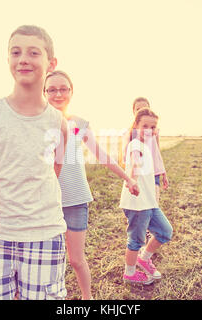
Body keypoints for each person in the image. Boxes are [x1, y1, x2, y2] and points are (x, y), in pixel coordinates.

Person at [0, 25, 69, 300]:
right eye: (16, 52)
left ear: (51, 63)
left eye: (33, 52)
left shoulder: (59, 123)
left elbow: (53, 172)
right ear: (8, 59)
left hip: (45, 236)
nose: (23, 59)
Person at [44, 70, 139, 299]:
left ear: (71, 92)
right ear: (44, 92)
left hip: (75, 199)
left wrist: (128, 178)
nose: (58, 94)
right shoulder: (37, 122)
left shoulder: (77, 124)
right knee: (49, 260)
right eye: (52, 89)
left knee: (76, 259)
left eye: (63, 89)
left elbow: (101, 154)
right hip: (45, 202)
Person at [119, 107, 173, 285]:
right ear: (136, 125)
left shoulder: (144, 145)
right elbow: (135, 162)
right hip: (137, 203)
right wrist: (132, 180)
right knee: (136, 240)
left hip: (149, 202)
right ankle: (130, 273)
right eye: (145, 126)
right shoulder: (135, 145)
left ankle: (144, 259)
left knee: (165, 231)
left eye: (153, 127)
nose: (149, 130)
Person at [122, 97, 168, 203]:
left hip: (154, 173)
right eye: (138, 109)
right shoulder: (128, 133)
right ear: (133, 112)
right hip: (139, 175)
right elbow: (126, 157)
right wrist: (131, 177)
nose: (141, 110)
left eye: (144, 108)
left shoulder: (154, 131)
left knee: (153, 205)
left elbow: (157, 152)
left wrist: (163, 172)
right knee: (138, 206)